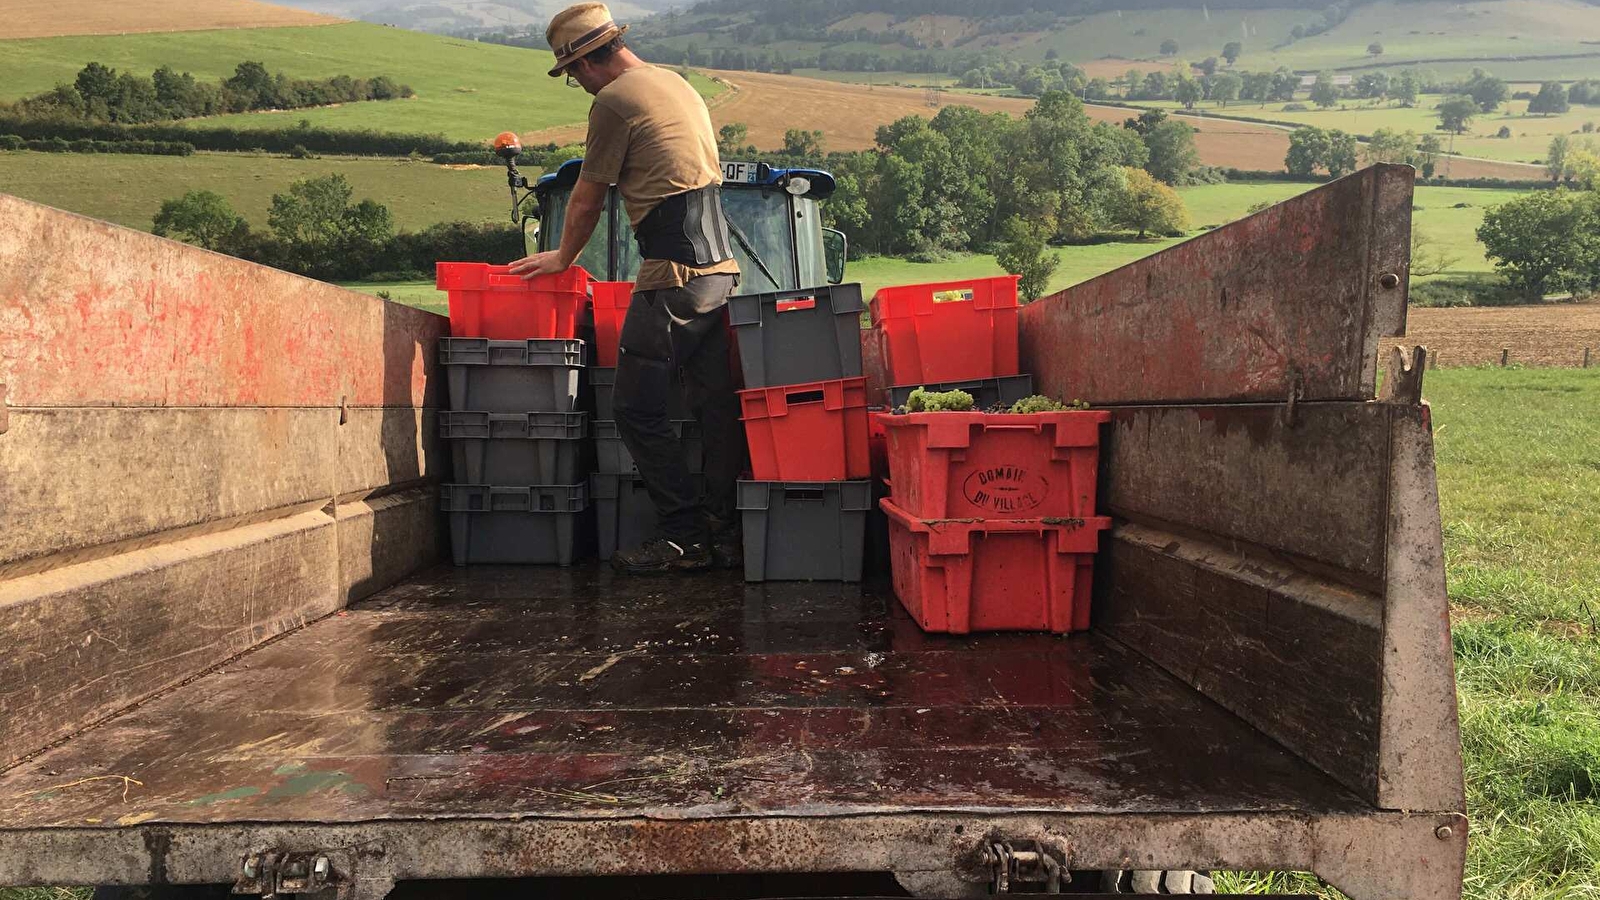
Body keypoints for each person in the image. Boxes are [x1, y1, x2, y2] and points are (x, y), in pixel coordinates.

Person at [510, 2, 744, 575]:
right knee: (715, 408)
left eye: (573, 76)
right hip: (720, 272)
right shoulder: (674, 83)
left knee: (634, 407)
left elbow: (588, 195)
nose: (579, 86)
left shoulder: (615, 102)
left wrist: (563, 258)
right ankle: (730, 533)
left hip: (674, 277)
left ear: (586, 65)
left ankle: (683, 537)